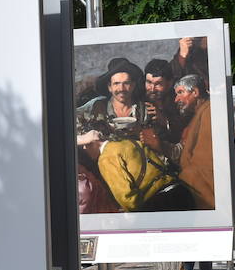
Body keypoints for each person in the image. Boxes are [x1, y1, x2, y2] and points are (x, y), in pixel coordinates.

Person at [77, 129, 193, 212]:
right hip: (180, 192)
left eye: (85, 145)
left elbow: (128, 200)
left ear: (93, 143)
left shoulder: (105, 158)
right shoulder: (127, 142)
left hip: (160, 204)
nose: (84, 149)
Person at [173, 75, 216, 210]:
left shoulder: (208, 112)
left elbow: (204, 167)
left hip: (205, 198)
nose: (176, 99)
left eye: (180, 92)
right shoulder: (202, 112)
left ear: (195, 92)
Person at [77, 58, 147, 125]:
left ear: (133, 85)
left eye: (126, 83)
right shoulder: (96, 106)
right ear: (110, 87)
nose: (121, 89)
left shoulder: (144, 108)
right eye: (116, 83)